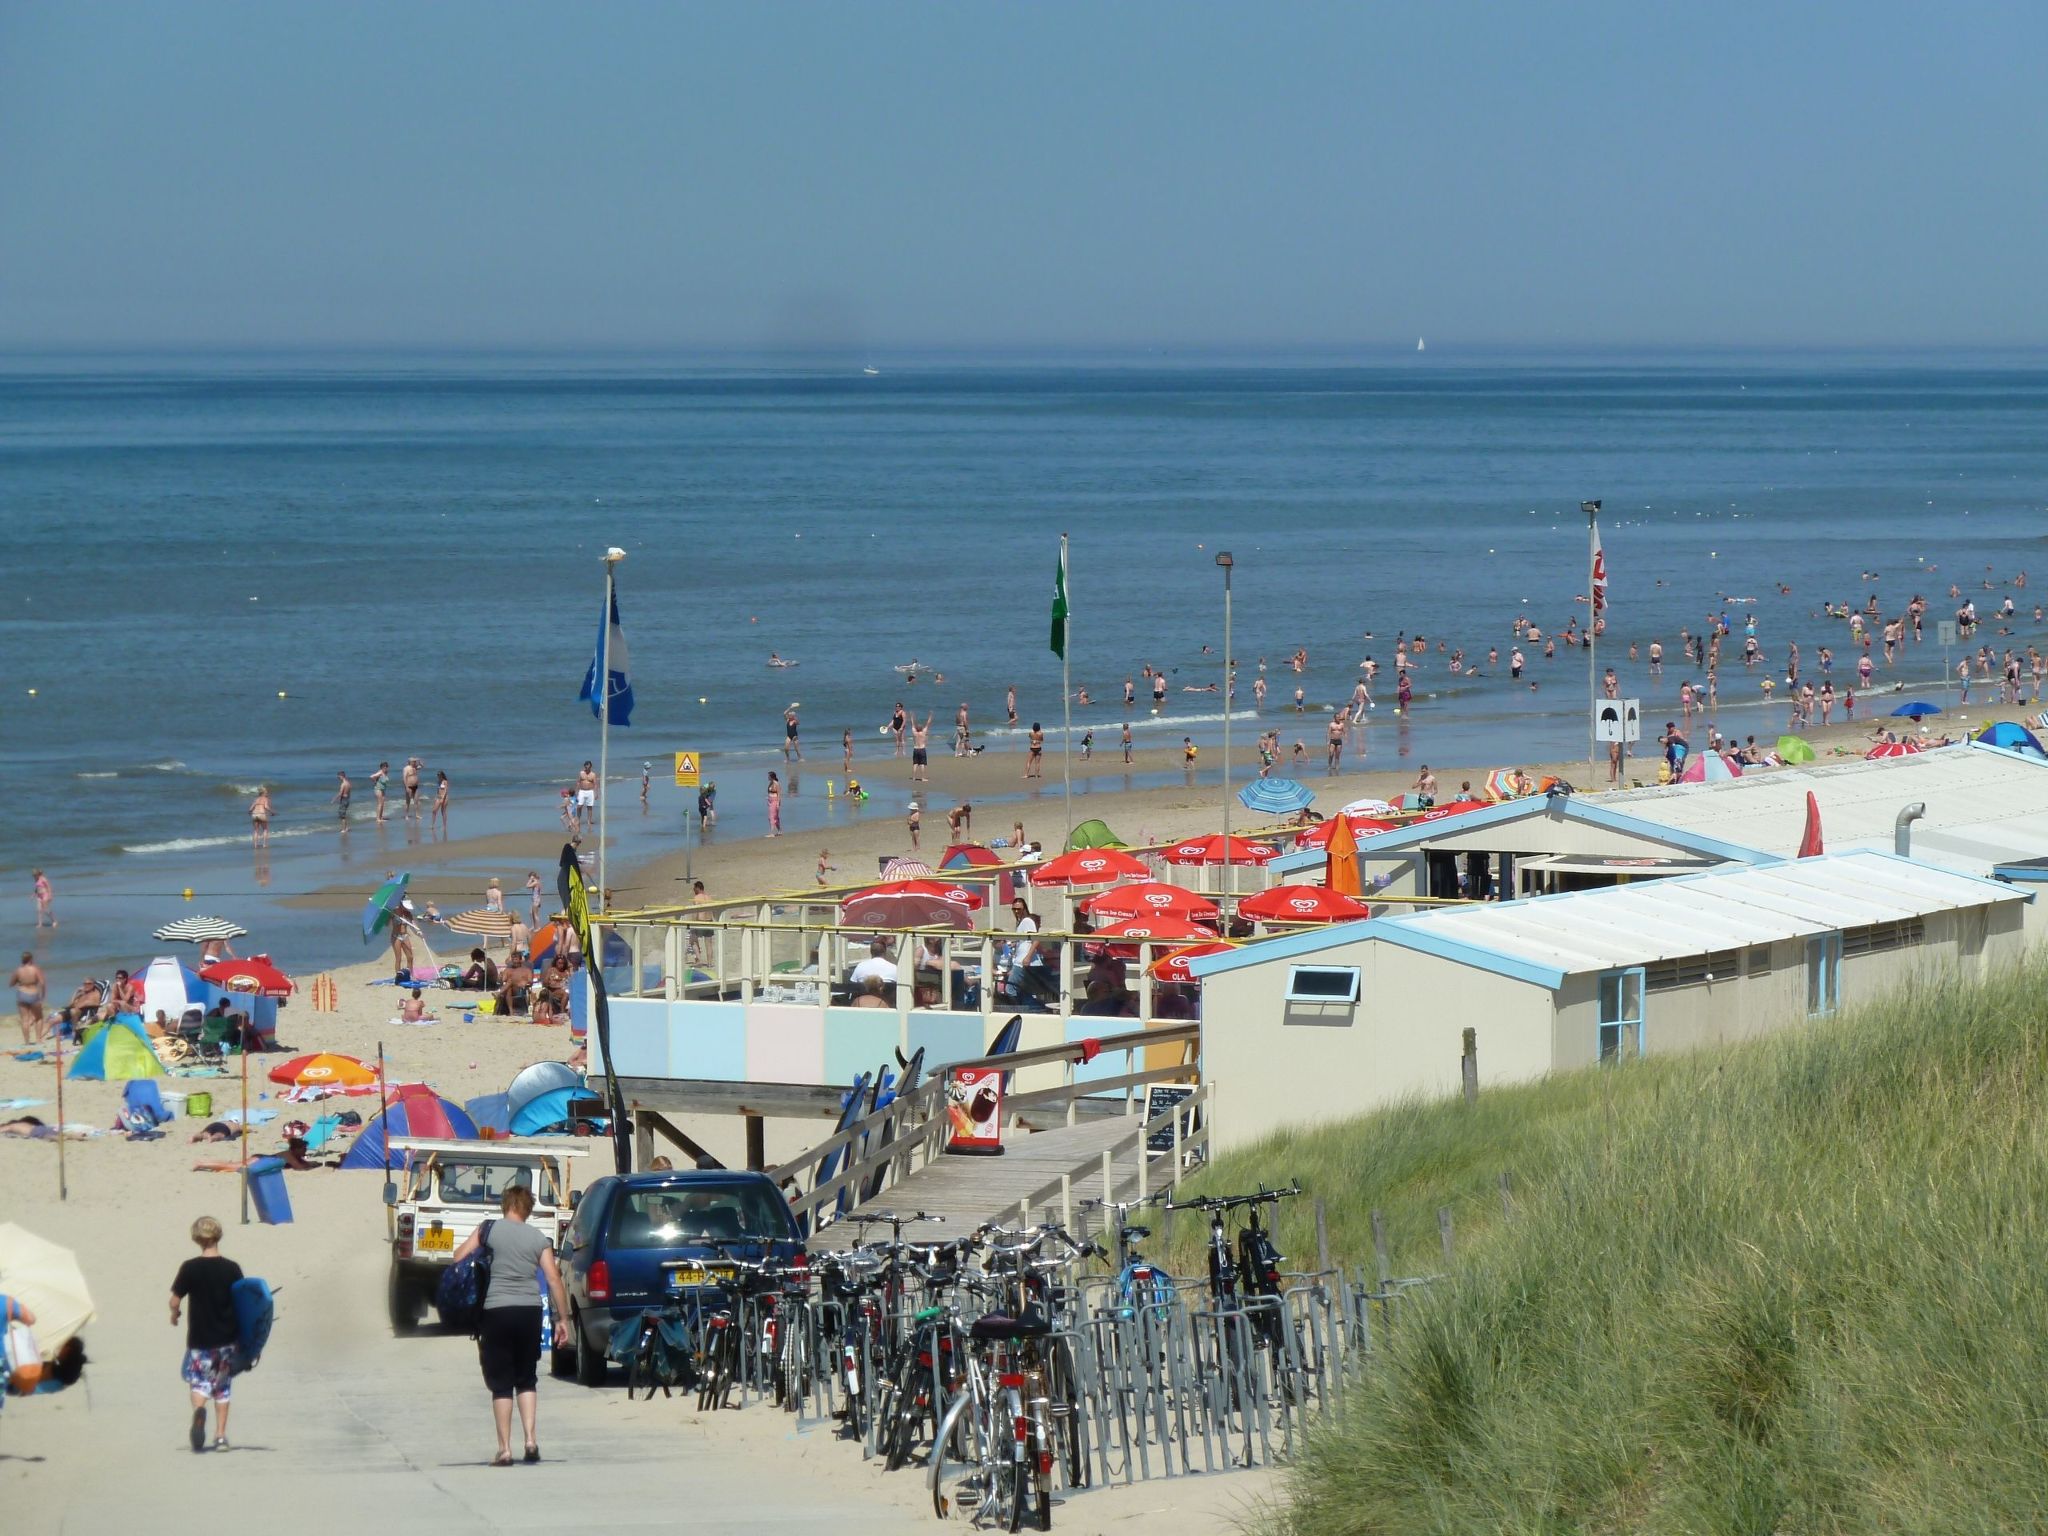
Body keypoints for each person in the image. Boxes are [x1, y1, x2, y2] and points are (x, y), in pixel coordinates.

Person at [449, 1186, 572, 1466]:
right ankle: (530, 1440)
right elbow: (553, 1279)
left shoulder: (488, 1230)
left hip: (496, 1310)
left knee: (501, 1384)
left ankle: (504, 1449)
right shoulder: (538, 1238)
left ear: (505, 1205)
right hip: (529, 1311)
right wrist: (562, 1319)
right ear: (528, 1209)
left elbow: (458, 1257)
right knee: (527, 1378)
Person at [169, 1216, 244, 1453]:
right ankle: (220, 1437)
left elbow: (175, 1300)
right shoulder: (232, 1268)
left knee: (199, 1383)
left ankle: (200, 1411)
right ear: (218, 1236)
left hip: (199, 1339)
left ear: (197, 1238)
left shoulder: (189, 1268)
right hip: (227, 1339)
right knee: (222, 1388)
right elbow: (243, 1302)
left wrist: (174, 1314)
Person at [11, 952, 45, 1046]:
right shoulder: (35, 969)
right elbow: (42, 983)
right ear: (31, 959)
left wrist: (19, 981)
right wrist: (43, 995)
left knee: (24, 1020)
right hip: (34, 994)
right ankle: (38, 1040)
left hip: (22, 994)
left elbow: (11, 983)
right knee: (39, 1017)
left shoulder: (18, 970)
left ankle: (27, 1042)